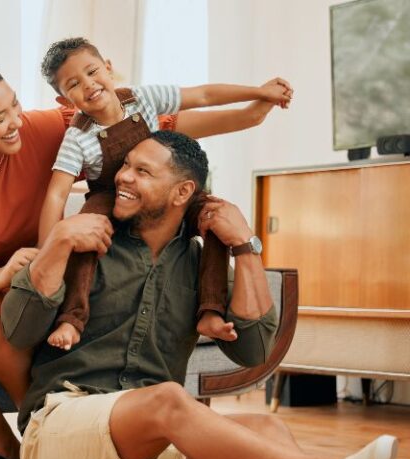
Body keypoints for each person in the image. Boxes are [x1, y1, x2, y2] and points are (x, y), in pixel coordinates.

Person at [0, 56, 290, 459]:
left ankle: (37, 441)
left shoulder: (45, 129)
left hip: (50, 269)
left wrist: (252, 111)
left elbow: (143, 125)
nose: (14, 123)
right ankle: (9, 445)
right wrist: (10, 271)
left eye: (15, 106)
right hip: (12, 274)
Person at [1, 130, 409, 459]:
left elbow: (252, 353)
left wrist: (245, 247)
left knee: (266, 427)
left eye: (143, 172)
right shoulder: (85, 241)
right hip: (61, 439)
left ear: (182, 192)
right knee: (170, 400)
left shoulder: (203, 266)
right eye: (126, 166)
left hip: (150, 455)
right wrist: (57, 243)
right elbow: (18, 331)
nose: (124, 177)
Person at [36, 37, 292, 352]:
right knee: (85, 235)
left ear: (108, 68)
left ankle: (210, 311)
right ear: (65, 101)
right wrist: (47, 250)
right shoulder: (78, 137)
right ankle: (71, 318)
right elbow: (55, 196)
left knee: (215, 216)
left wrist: (259, 92)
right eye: (74, 84)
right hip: (110, 193)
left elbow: (204, 95)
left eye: (92, 72)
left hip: (163, 182)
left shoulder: (142, 98)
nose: (88, 85)